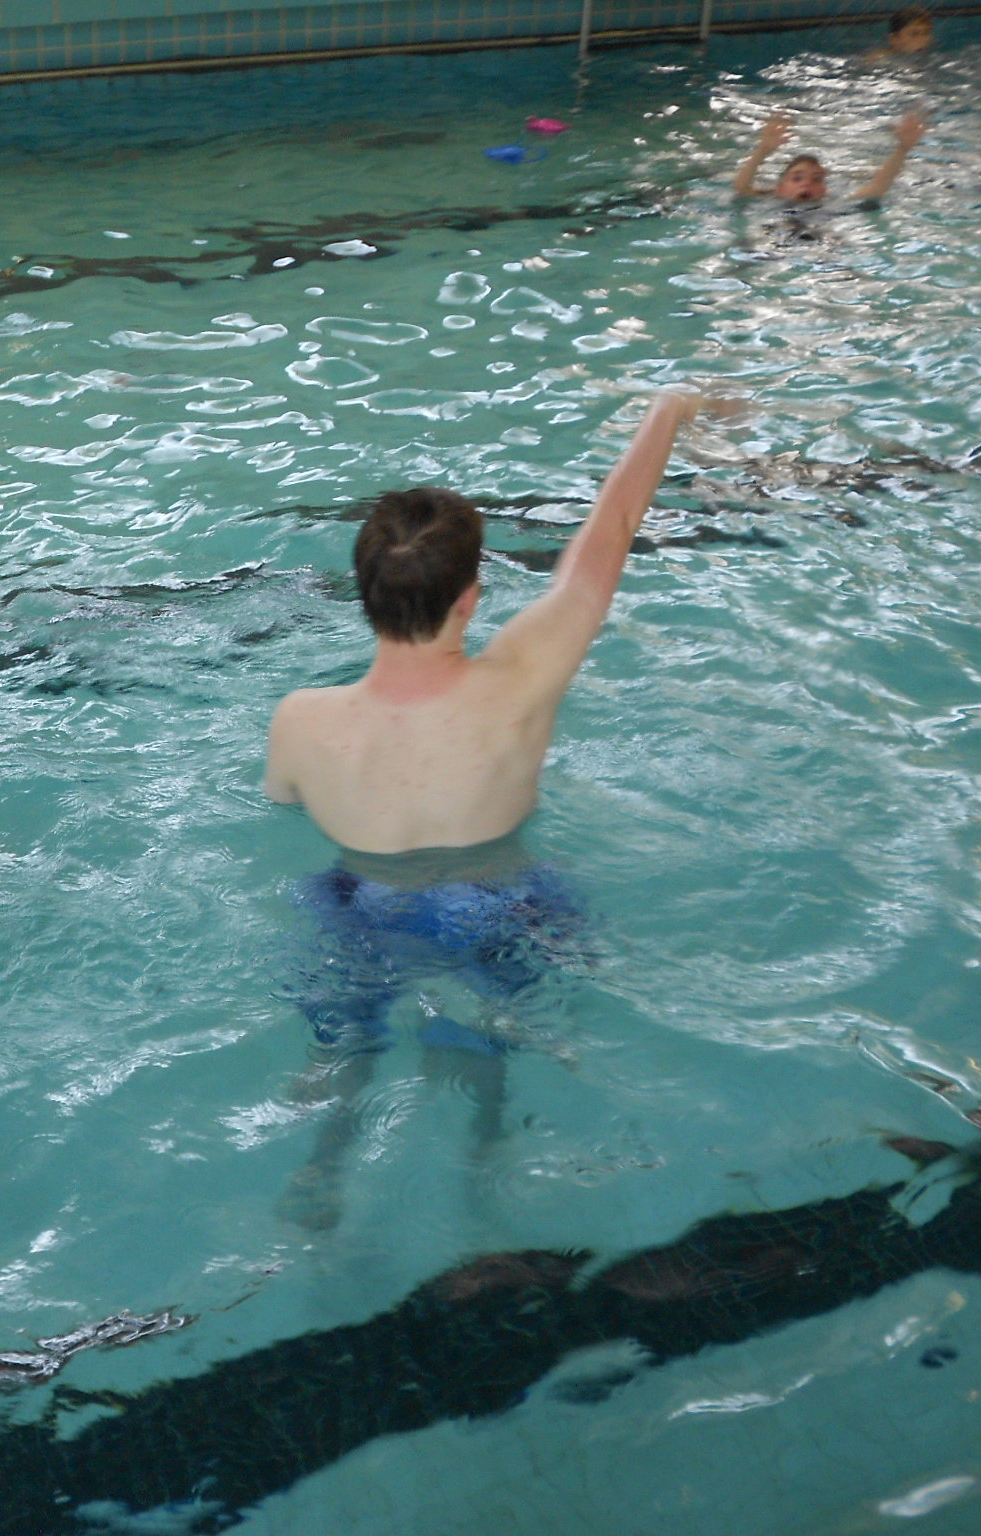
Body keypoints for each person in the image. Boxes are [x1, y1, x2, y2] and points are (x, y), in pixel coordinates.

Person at [262, 392, 711, 1227]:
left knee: (347, 1053)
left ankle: (324, 1167)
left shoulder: (301, 720)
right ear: (470, 598)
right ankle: (481, 1174)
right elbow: (610, 530)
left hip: (360, 910)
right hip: (497, 902)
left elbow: (282, 802)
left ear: (362, 595)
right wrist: (669, 411)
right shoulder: (521, 684)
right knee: (482, 1059)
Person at [734, 109, 928, 206]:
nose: (807, 183)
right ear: (779, 188)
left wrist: (903, 149)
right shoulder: (770, 200)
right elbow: (742, 187)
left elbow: (876, 188)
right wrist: (762, 150)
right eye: (797, 178)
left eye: (816, 179)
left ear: (824, 191)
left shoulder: (831, 205)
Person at [869, 5, 934, 57]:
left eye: (926, 32)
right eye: (914, 34)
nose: (923, 39)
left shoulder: (929, 57)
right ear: (894, 39)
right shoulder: (879, 59)